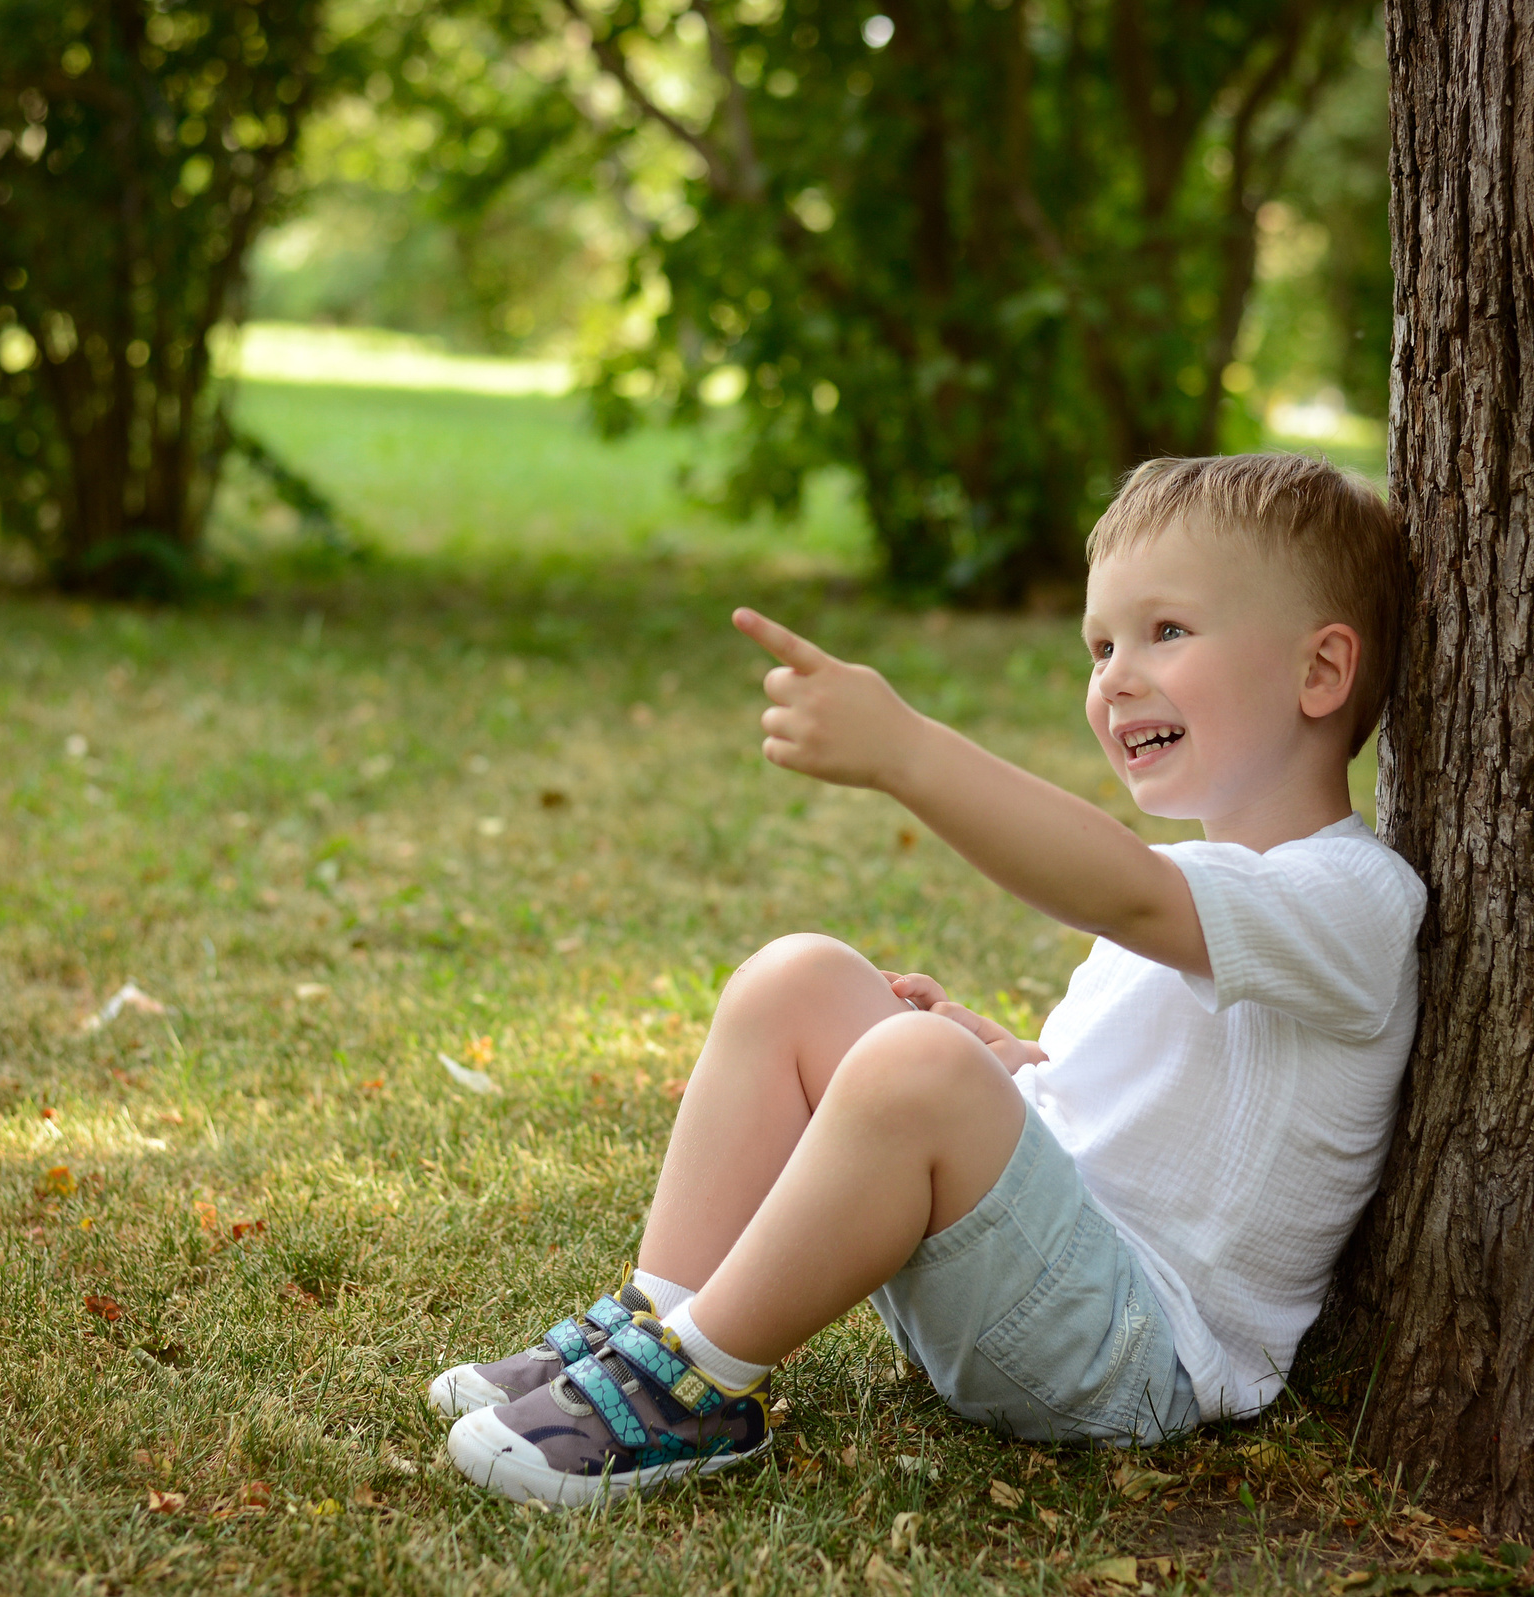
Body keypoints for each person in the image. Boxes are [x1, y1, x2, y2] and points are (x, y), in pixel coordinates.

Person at [432, 452, 1426, 1508]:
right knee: (798, 978)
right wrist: (998, 1059)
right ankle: (655, 1319)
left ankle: (700, 1385)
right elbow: (1127, 1090)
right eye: (1100, 644)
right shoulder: (1191, 886)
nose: (1114, 675)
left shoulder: (1351, 898)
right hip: (1041, 1276)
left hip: (1137, 1350)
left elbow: (1123, 894)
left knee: (918, 1065)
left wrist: (906, 750)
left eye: (1166, 631)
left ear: (1320, 672)